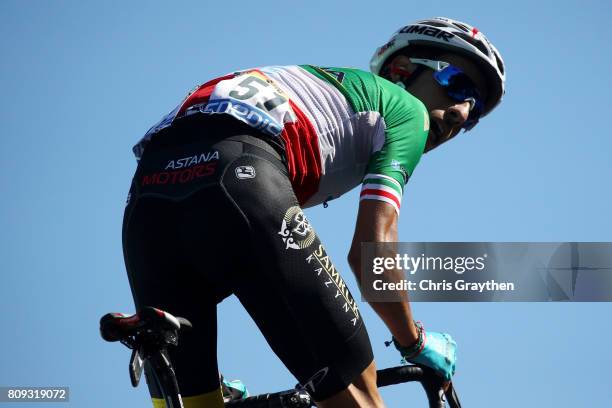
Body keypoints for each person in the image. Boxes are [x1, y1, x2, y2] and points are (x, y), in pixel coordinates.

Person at [121, 16, 505, 408]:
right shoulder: (407, 110)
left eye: (473, 113)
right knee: (359, 394)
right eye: (457, 84)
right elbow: (371, 258)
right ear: (400, 71)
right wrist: (414, 341)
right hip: (242, 176)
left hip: (148, 203)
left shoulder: (319, 93)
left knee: (194, 403)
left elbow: (218, 234)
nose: (461, 113)